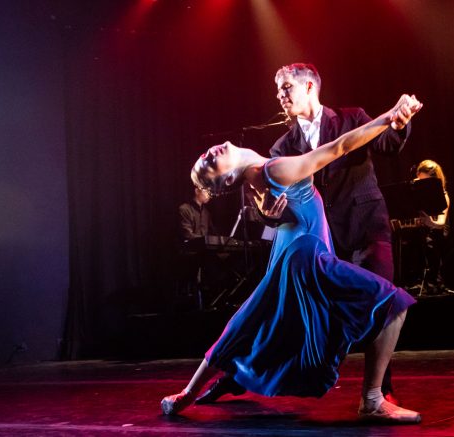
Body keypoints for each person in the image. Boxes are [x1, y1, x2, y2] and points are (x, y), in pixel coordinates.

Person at [160, 94, 424, 424]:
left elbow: (279, 209)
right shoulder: (273, 169)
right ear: (228, 179)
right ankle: (372, 399)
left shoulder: (260, 179)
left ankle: (187, 394)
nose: (208, 154)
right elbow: (339, 147)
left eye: (204, 157)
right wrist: (389, 115)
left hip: (289, 257)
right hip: (306, 256)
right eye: (208, 165)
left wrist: (186, 394)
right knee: (392, 305)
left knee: (245, 325)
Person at [411, 160, 454, 295]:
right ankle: (416, 282)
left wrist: (428, 221)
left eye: (426, 183)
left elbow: (440, 223)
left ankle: (435, 282)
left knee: (429, 241)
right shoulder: (417, 197)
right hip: (425, 231)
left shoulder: (444, 195)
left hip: (438, 232)